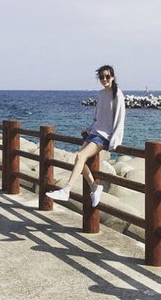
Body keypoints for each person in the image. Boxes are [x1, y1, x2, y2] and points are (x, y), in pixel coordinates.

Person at [46, 65, 126, 207]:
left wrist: (115, 140)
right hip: (95, 132)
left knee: (80, 156)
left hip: (104, 136)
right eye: (101, 77)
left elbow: (120, 118)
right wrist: (89, 129)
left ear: (113, 77)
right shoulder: (101, 94)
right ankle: (95, 187)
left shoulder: (117, 94)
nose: (104, 79)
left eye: (107, 76)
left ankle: (66, 190)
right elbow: (98, 117)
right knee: (78, 159)